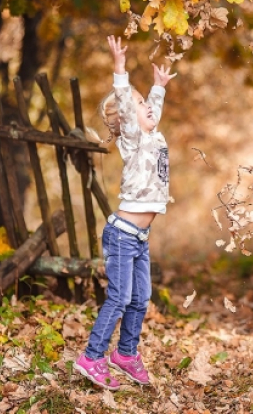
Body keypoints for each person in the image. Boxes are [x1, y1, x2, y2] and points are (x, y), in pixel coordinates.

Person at [73, 36, 176, 390]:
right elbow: (128, 109)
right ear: (125, 122)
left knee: (140, 299)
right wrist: (120, 72)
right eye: (138, 103)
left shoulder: (151, 134)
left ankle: (126, 354)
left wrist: (158, 88)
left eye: (145, 101)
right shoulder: (132, 139)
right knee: (119, 297)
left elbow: (150, 114)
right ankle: (92, 356)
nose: (146, 105)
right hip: (121, 235)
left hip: (139, 238)